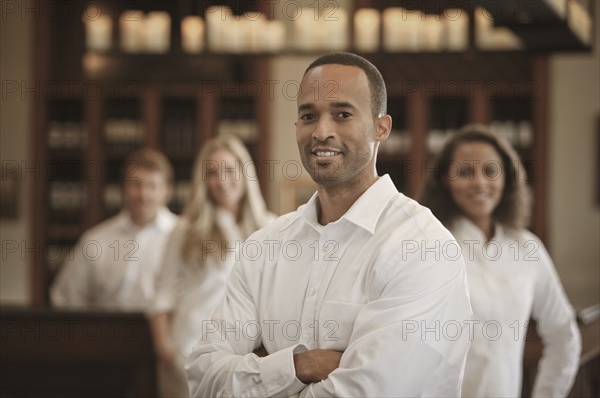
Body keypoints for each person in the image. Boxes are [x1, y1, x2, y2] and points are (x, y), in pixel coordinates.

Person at [185, 52, 473, 397]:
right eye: (309, 115)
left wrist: (262, 371)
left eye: (342, 114)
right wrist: (300, 366)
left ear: (381, 127)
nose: (321, 131)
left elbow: (369, 391)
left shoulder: (422, 246)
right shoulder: (266, 246)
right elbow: (202, 378)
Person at [419, 125, 581, 397]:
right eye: (466, 172)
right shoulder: (427, 246)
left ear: (507, 178)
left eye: (490, 171)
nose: (480, 183)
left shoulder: (527, 248)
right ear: (445, 179)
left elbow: (564, 335)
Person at [148, 134, 274, 398]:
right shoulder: (186, 230)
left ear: (245, 172)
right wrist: (167, 351)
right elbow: (163, 294)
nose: (223, 180)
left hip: (249, 358)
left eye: (230, 170)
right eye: (213, 173)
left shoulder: (272, 228)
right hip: (190, 351)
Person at [51, 148, 177, 311]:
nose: (143, 194)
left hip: (167, 334)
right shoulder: (95, 241)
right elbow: (65, 299)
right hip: (104, 333)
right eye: (136, 184)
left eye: (152, 186)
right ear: (123, 189)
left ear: (167, 191)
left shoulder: (185, 237)